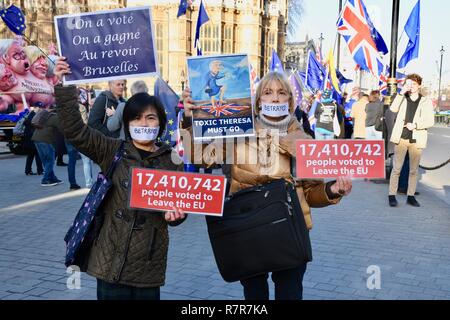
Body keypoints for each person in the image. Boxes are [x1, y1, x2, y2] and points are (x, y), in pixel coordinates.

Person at [181, 72, 352, 300]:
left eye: (281, 93)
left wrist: (334, 190)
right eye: (268, 93)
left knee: (290, 294)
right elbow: (200, 157)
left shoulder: (305, 142)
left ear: (290, 101)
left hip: (289, 231)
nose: (274, 98)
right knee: (254, 296)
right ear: (258, 100)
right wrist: (190, 119)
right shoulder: (237, 129)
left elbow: (311, 194)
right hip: (248, 228)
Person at [54, 58, 186, 300]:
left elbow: (179, 208)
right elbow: (75, 132)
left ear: (160, 122)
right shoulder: (112, 149)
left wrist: (176, 216)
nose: (143, 123)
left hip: (148, 262)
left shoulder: (172, 159)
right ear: (127, 123)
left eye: (150, 118)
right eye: (136, 118)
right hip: (110, 260)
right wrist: (64, 87)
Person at [388, 73, 434, 208]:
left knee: (413, 171)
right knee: (396, 169)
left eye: (414, 84)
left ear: (419, 85)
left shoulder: (426, 101)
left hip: (416, 139)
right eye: (408, 84)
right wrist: (401, 92)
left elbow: (430, 121)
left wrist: (416, 125)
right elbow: (392, 109)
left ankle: (411, 196)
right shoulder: (402, 97)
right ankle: (391, 196)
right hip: (401, 137)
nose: (411, 86)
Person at [31, 106, 63, 186]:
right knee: (50, 160)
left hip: (36, 139)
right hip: (45, 140)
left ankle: (52, 178)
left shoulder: (46, 115)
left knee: (46, 161)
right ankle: (45, 180)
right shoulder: (55, 117)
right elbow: (62, 129)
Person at [23, 107, 43, 175]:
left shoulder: (29, 115)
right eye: (39, 107)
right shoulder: (34, 116)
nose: (40, 109)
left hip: (29, 139)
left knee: (30, 155)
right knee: (37, 154)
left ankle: (28, 171)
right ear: (35, 107)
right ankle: (40, 170)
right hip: (33, 138)